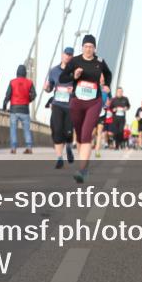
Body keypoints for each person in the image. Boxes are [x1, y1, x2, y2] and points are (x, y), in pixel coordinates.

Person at [59, 34, 112, 183]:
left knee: (87, 133)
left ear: (95, 48)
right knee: (80, 134)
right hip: (77, 102)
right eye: (86, 46)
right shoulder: (75, 61)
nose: (88, 49)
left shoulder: (100, 62)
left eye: (91, 47)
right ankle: (85, 166)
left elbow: (108, 74)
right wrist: (74, 76)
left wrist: (107, 84)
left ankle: (82, 170)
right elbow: (63, 78)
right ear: (82, 47)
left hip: (94, 102)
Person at [45, 47, 77, 168]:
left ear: (72, 57)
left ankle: (68, 147)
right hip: (57, 104)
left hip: (70, 106)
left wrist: (74, 90)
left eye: (70, 55)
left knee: (68, 133)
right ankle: (59, 158)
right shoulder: (53, 71)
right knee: (57, 131)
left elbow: (83, 89)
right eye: (66, 54)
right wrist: (47, 88)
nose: (68, 56)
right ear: (62, 55)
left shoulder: (76, 72)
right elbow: (50, 87)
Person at [2, 64, 36, 154]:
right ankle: (29, 148)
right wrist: (28, 100)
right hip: (25, 110)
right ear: (25, 73)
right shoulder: (29, 82)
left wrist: (4, 106)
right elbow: (34, 95)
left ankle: (13, 148)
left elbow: (8, 95)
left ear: (17, 72)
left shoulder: (12, 82)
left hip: (14, 110)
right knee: (27, 129)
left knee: (13, 129)